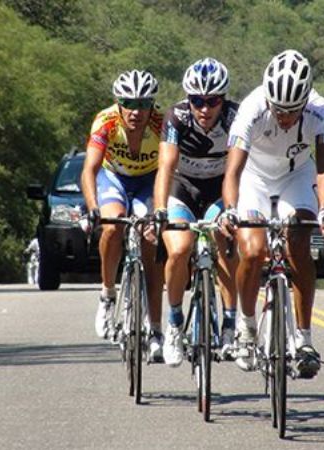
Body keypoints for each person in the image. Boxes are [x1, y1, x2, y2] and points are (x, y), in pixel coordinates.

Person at [220, 50, 324, 379]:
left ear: (306, 101)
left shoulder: (323, 111)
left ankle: (304, 340)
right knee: (254, 248)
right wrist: (230, 210)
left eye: (291, 111)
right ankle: (245, 328)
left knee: (299, 240)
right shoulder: (252, 108)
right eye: (278, 109)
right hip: (253, 178)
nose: (284, 117)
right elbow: (232, 172)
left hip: (296, 176)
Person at [152, 58, 239, 367]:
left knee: (226, 242)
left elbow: (241, 169)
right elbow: (165, 166)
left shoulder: (233, 117)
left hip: (218, 190)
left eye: (212, 100)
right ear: (188, 99)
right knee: (179, 249)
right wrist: (160, 210)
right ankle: (174, 324)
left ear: (223, 99)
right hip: (182, 188)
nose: (204, 108)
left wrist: (233, 210)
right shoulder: (176, 118)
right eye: (197, 101)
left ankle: (230, 325)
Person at [81, 69, 166, 361]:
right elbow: (90, 169)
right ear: (118, 103)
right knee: (112, 226)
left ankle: (155, 328)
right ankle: (107, 294)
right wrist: (92, 208)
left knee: (152, 239)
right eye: (129, 102)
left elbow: (170, 168)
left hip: (147, 182)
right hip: (113, 177)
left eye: (144, 104)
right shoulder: (105, 122)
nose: (136, 111)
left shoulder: (161, 124)